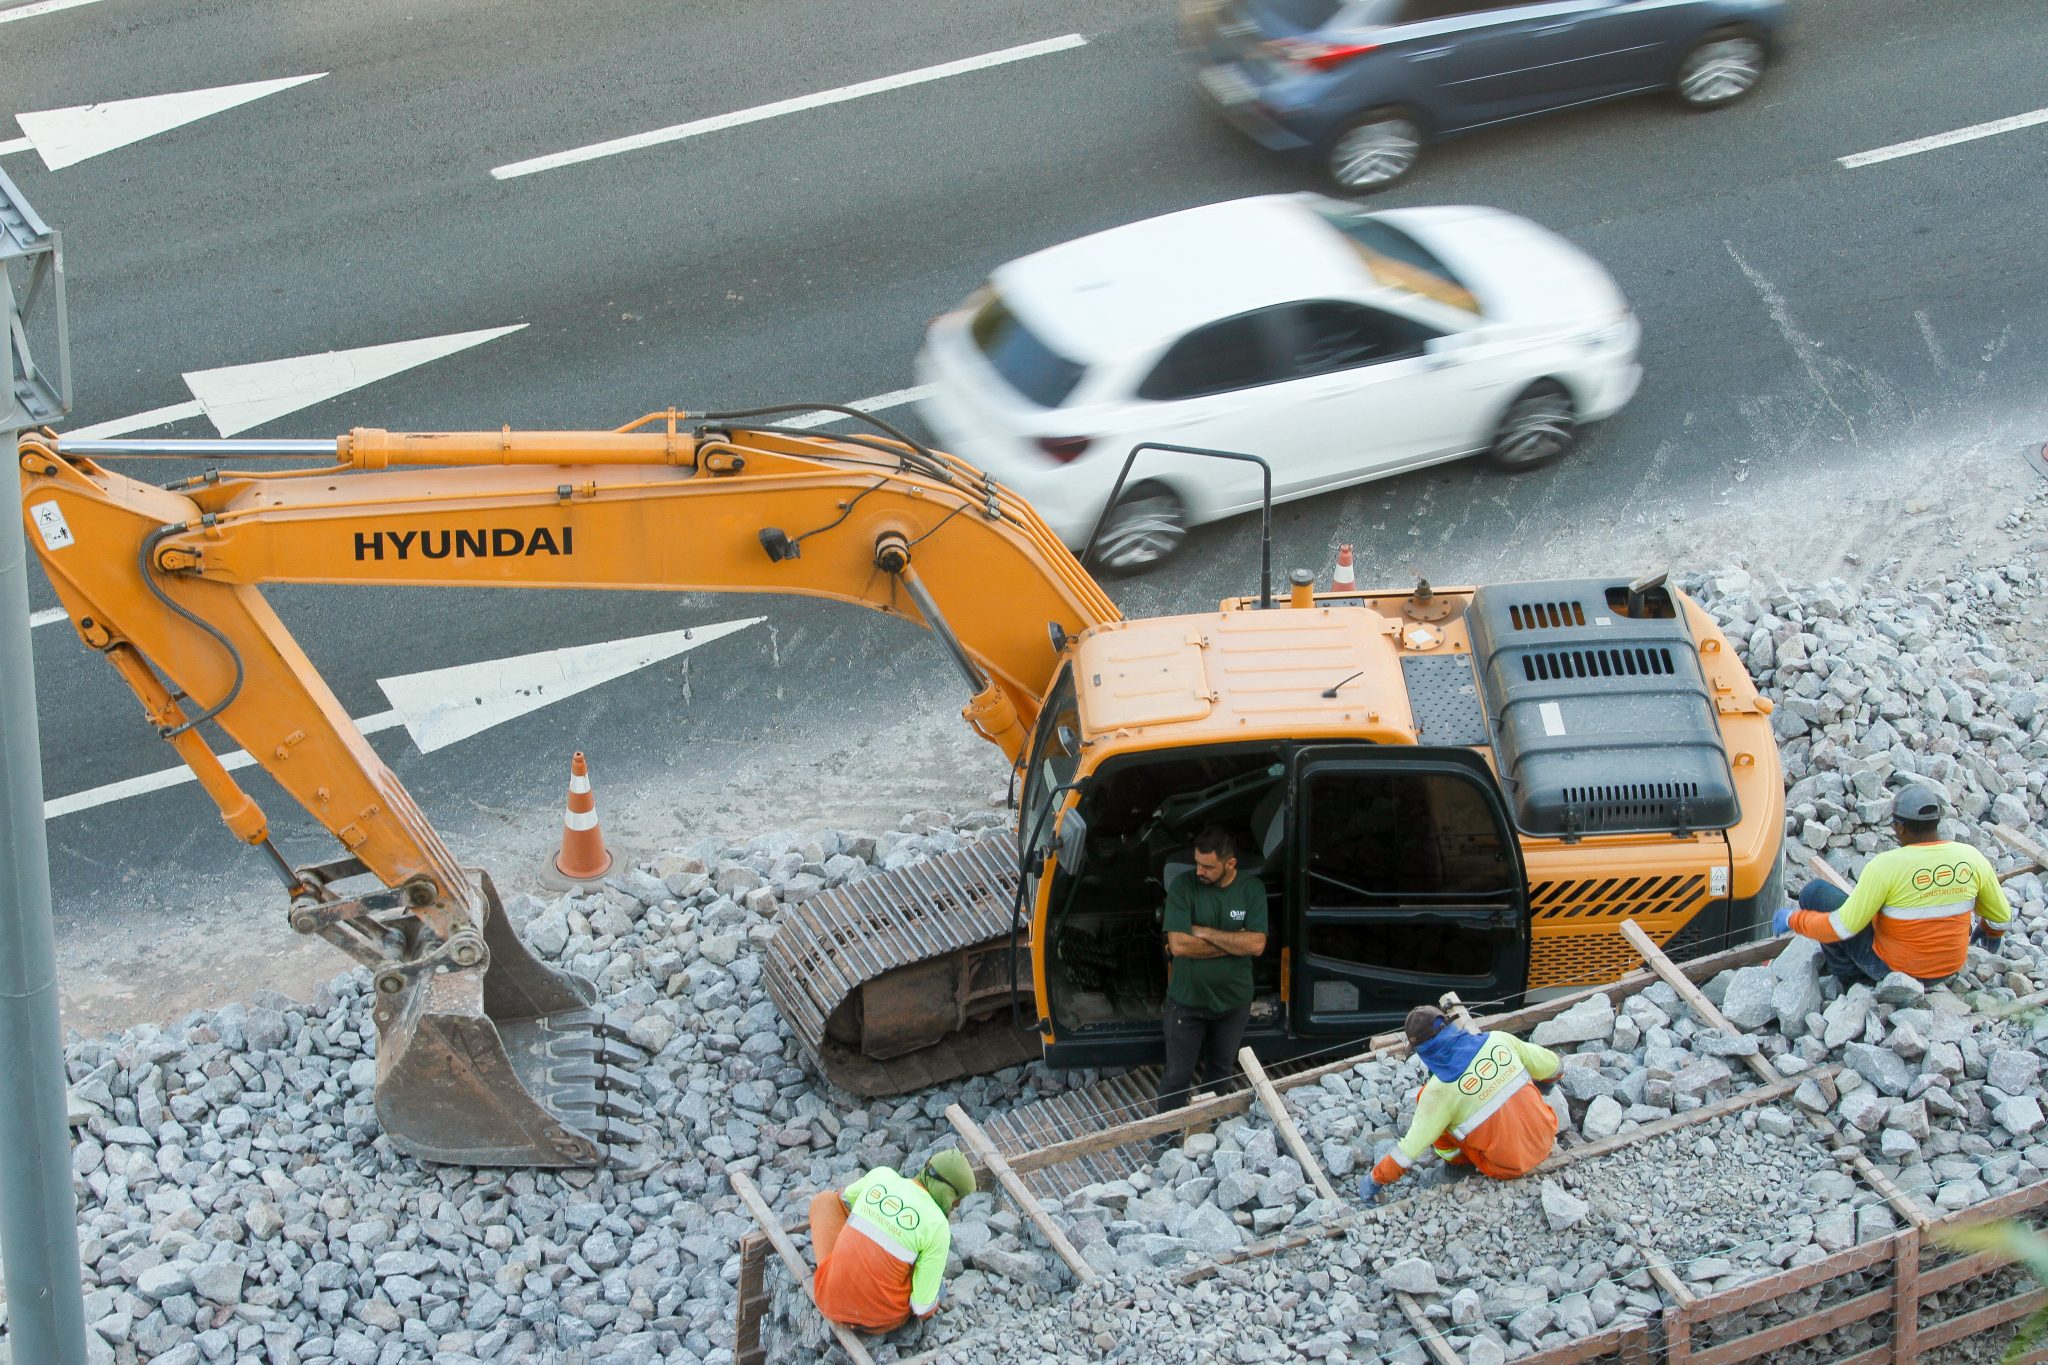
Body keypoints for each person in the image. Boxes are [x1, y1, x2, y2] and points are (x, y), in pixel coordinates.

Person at [1772, 784, 2013, 986]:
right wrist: (1991, 931)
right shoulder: (1971, 857)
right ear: (1936, 821)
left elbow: (1841, 928)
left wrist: (1794, 920)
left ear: (1899, 826)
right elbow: (2002, 917)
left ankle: (1852, 979)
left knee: (1815, 893)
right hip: (1947, 970)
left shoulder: (1885, 866)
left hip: (1893, 972)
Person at [1357, 1006, 1562, 1204]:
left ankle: (1456, 1168)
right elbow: (1554, 1067)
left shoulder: (1436, 1093)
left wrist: (1375, 1180)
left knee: (1432, 1112)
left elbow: (1408, 1150)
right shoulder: (1498, 1040)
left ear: (1423, 1051)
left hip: (1509, 1166)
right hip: (1547, 1137)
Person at [1155, 824, 1269, 1121]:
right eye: (1197, 863)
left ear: (1230, 864)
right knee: (1177, 1077)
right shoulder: (1182, 887)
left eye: (1208, 866)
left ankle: (1208, 1132)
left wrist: (1205, 932)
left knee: (1220, 1071)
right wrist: (1234, 942)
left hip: (1234, 1004)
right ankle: (1164, 1140)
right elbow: (1179, 945)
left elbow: (1257, 944)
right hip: (1187, 1004)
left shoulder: (1251, 889)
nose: (1199, 871)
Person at [808, 1151, 977, 1335]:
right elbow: (921, 1307)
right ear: (946, 1190)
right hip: (880, 1319)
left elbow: (845, 1199)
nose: (956, 1206)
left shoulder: (882, 1175)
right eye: (957, 1199)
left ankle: (838, 1280)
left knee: (825, 1201)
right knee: (931, 1284)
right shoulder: (938, 1226)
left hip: (829, 1301)